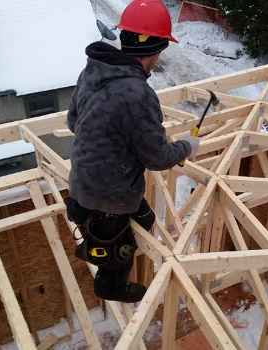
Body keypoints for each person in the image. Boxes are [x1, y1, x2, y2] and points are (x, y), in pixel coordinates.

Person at [66, 0, 199, 303]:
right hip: (107, 194)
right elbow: (158, 158)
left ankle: (96, 215)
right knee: (121, 250)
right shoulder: (138, 94)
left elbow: (74, 121)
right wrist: (187, 147)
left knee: (145, 216)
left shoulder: (94, 70)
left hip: (80, 181)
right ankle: (110, 284)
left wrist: (110, 141)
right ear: (157, 48)